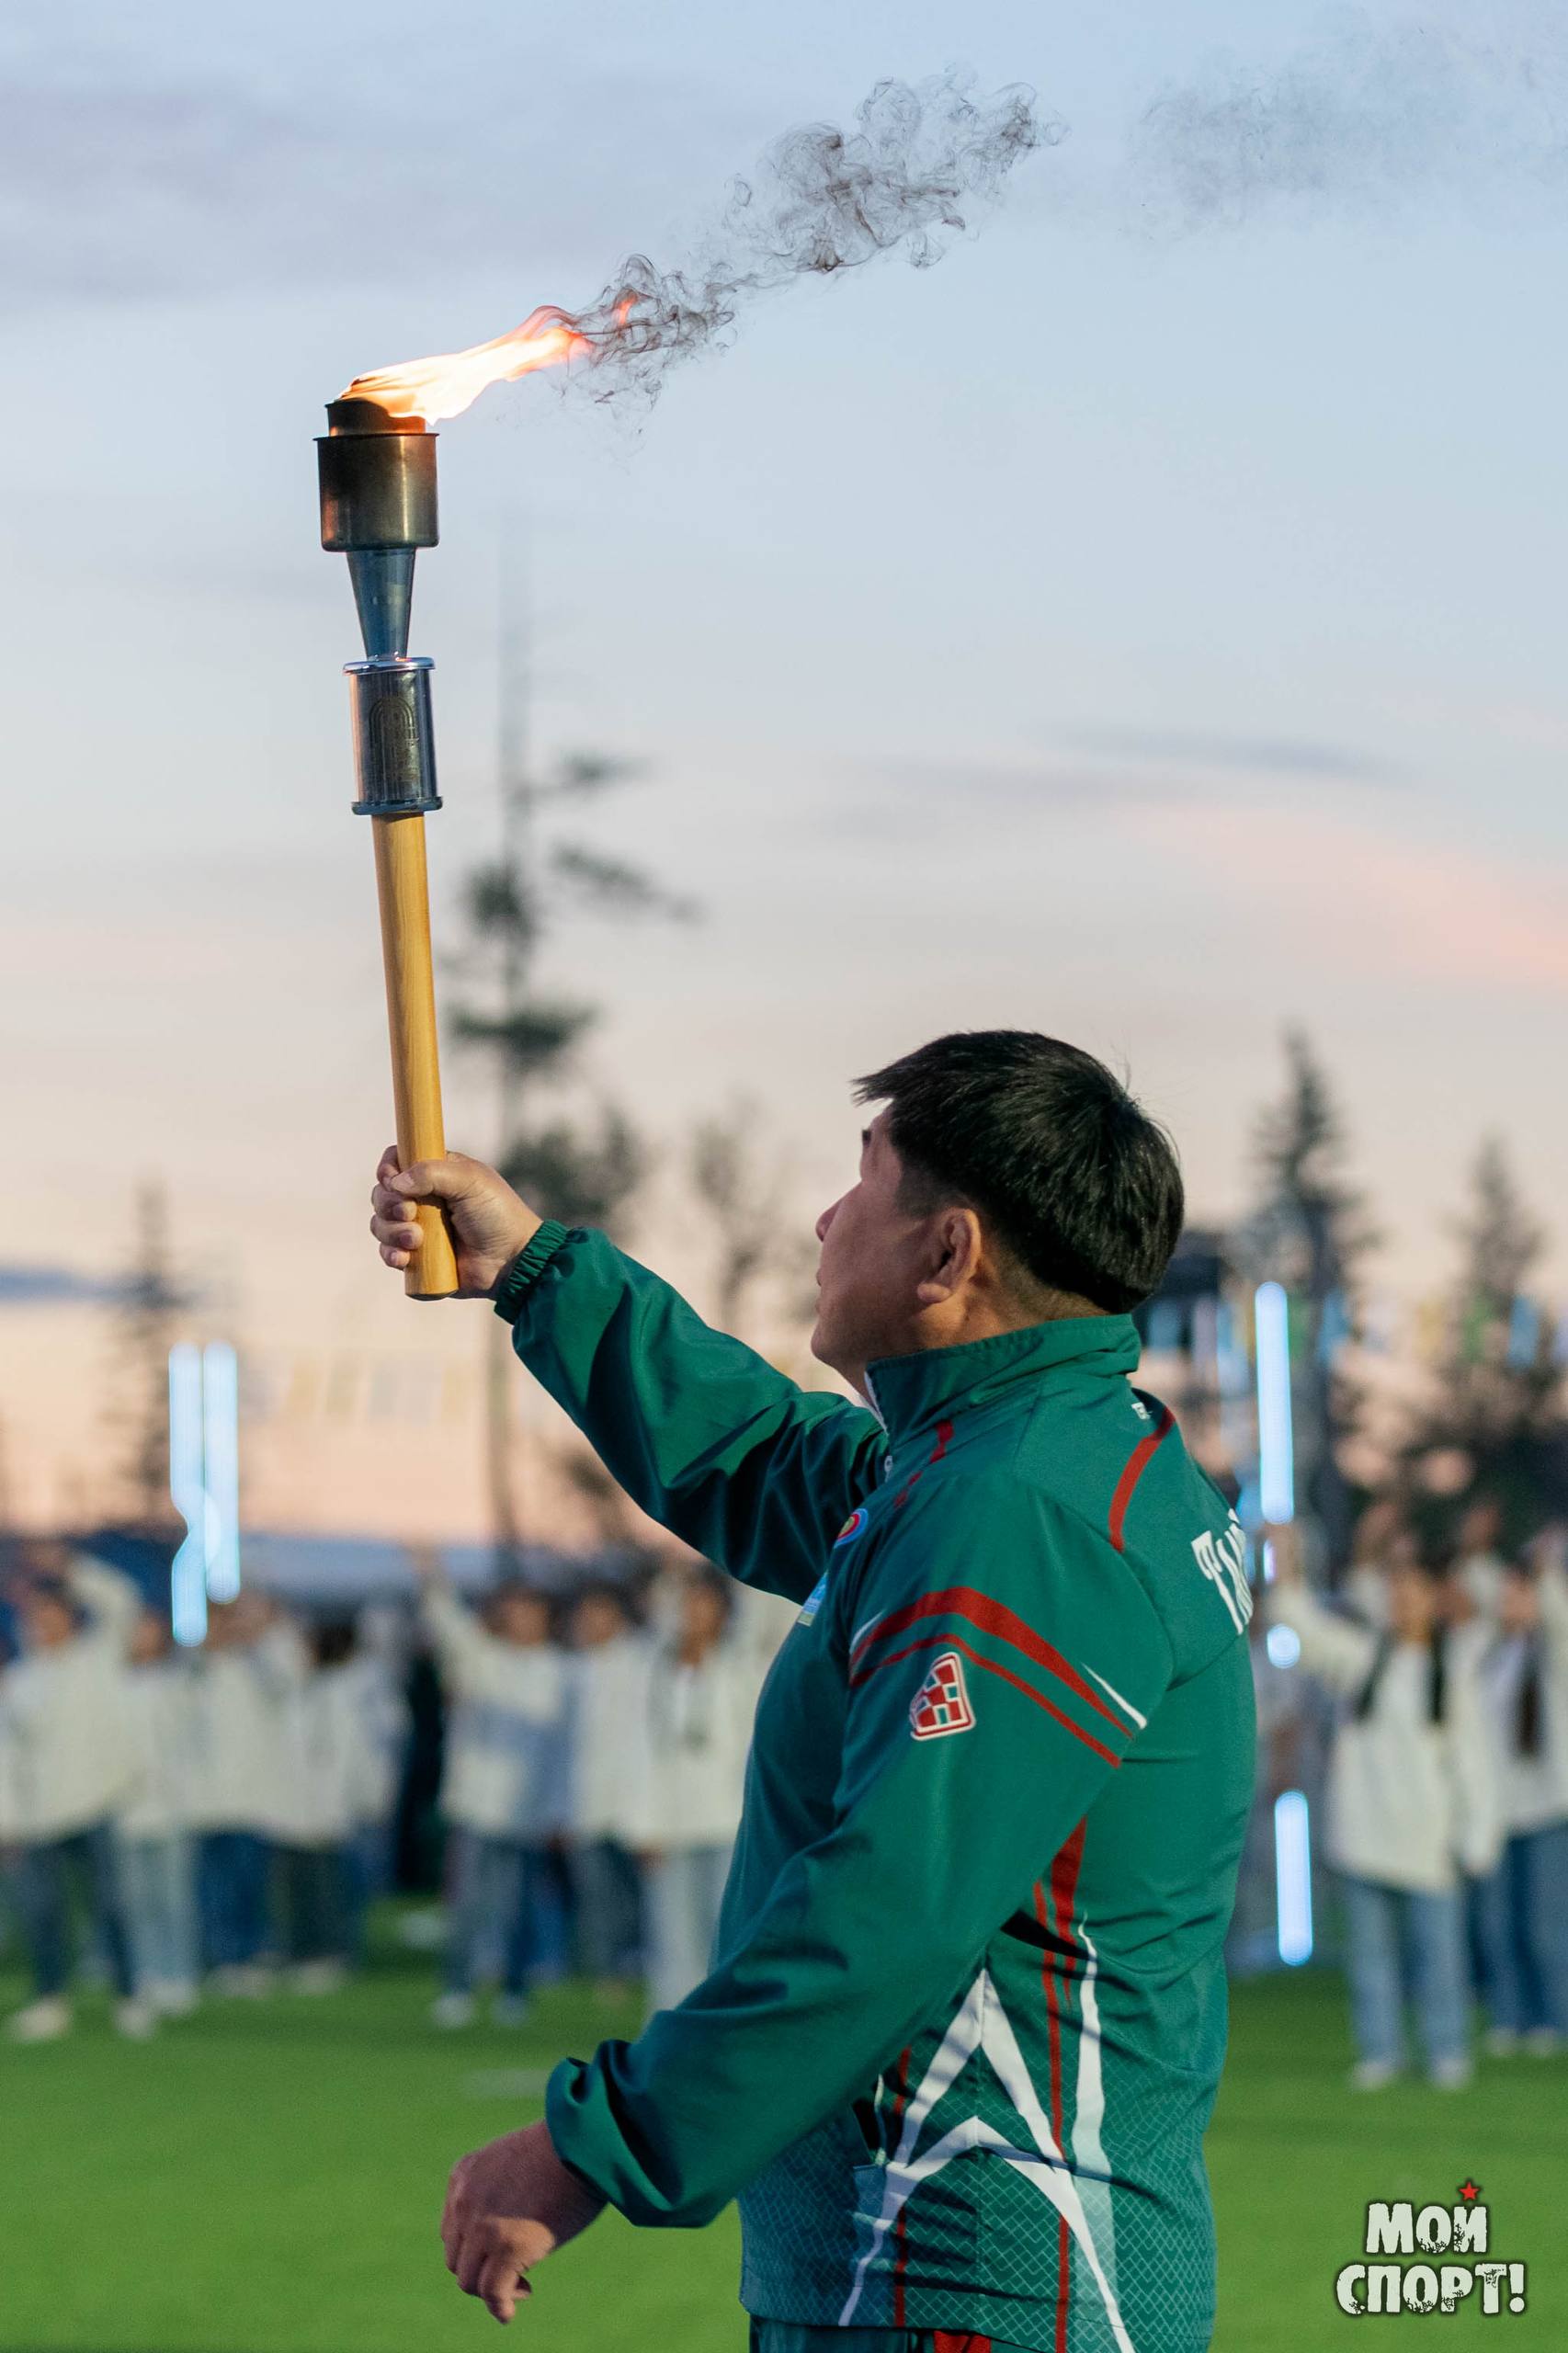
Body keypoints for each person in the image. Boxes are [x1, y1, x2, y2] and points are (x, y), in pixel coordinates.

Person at [370, 1028, 1256, 2350]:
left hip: (967, 2274)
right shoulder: (1008, 1461)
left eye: (863, 1181)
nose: (826, 1221)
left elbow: (889, 1905)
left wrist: (596, 2145)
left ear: (947, 1253)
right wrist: (538, 1268)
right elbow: (762, 1455)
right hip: (933, 2272)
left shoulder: (1015, 1514)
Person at [1267, 1526, 1499, 2088]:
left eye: (1413, 1593)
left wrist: (1477, 1837)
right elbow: (1302, 1625)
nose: (1403, 1602)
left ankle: (1446, 2049)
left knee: (1438, 1955)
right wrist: (1287, 1561)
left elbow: (1473, 1764)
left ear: (1432, 1600)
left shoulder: (1453, 1671)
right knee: (1371, 1957)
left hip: (1428, 1838)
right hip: (1363, 1833)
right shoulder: (1364, 1658)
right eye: (1396, 1592)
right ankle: (1381, 2051)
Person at [0, 1545, 150, 2041]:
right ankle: (51, 2000)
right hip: (41, 1817)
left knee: (112, 1907)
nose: (44, 1623)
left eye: (52, 1613)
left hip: (96, 1805)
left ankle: (129, 1996)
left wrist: (69, 1567)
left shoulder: (97, 1658)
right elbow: (10, 1759)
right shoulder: (21, 1681)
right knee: (44, 1914)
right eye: (36, 1615)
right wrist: (9, 1822)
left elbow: (122, 1599)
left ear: (69, 1615)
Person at [417, 1552, 568, 2029]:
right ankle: (458, 1986)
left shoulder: (558, 1670)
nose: (523, 1621)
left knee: (519, 1904)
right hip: (477, 1807)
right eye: (516, 1612)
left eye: (532, 1613)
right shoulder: (485, 1658)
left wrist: (558, 1808)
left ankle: (514, 1989)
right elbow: (451, 1627)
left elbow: (561, 1749)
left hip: (527, 1809)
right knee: (468, 1901)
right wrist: (432, 1576)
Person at [640, 1568, 756, 2017]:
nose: (694, 1615)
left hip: (727, 1820)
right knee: (671, 1933)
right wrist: (644, 1823)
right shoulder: (652, 1668)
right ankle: (672, 2024)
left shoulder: (738, 1668)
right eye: (687, 1605)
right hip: (669, 1823)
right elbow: (641, 1753)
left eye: (705, 1606)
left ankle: (721, 2022)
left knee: (724, 1931)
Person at [1469, 1528, 1568, 2054]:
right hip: (1497, 1813)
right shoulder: (1488, 1655)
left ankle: (1553, 2017)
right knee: (1497, 1923)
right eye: (1505, 1597)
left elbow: (1558, 1617)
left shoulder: (1553, 1656)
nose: (1509, 1606)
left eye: (1518, 1596)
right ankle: (1509, 2016)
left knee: (1545, 1925)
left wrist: (1546, 1570)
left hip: (1548, 1810)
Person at [187, 1591, 305, 1993]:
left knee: (249, 1885)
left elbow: (289, 1675)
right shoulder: (194, 1671)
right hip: (205, 1803)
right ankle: (223, 1957)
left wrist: (263, 1630)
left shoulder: (256, 1665)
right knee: (214, 1889)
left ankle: (250, 1954)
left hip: (250, 1801)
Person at [563, 1584, 653, 1998]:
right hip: (586, 1805)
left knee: (642, 1893)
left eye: (598, 1613)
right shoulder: (573, 1670)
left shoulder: (642, 1660)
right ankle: (609, 1970)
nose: (589, 1623)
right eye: (584, 1615)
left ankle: (647, 1960)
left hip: (635, 1803)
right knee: (598, 1895)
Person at [116, 1604, 202, 2017]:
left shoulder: (176, 1682)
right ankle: (146, 1972)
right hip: (126, 1811)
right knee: (137, 1902)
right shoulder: (114, 1685)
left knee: (174, 1899)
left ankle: (178, 1975)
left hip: (170, 1809)